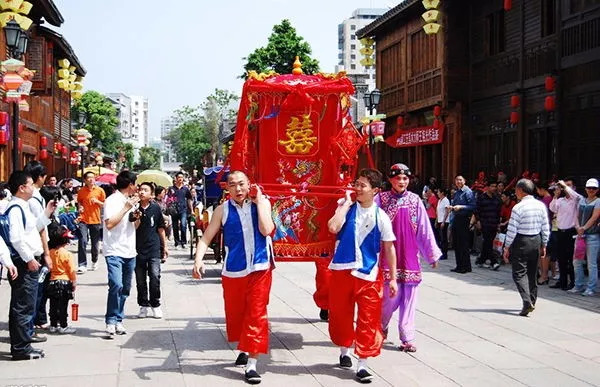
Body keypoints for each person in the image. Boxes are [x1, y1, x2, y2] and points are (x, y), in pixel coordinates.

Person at [192, 170, 274, 385]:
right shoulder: (222, 210)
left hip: (260, 266)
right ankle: (244, 348)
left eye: (242, 184)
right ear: (226, 188)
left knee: (256, 313)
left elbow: (267, 230)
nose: (238, 189)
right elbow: (207, 237)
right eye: (233, 185)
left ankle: (252, 365)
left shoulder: (262, 204)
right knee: (237, 315)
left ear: (249, 185)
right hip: (234, 271)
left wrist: (261, 203)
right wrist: (198, 260)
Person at [327, 169, 397, 383]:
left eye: (362, 185)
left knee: (368, 319)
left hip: (369, 275)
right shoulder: (346, 208)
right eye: (356, 184)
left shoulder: (381, 216)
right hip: (342, 271)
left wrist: (393, 278)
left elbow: (389, 248)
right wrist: (345, 205)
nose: (357, 188)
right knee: (340, 315)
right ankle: (344, 350)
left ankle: (363, 363)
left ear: (375, 190)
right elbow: (332, 227)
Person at [376, 163, 441, 353]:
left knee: (409, 300)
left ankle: (407, 337)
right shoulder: (381, 199)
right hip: (389, 257)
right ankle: (382, 326)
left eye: (405, 179)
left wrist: (431, 253)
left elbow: (424, 230)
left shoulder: (415, 200)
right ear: (390, 180)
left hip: (410, 257)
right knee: (389, 299)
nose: (402, 182)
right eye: (398, 178)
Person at [6, 171, 56, 360]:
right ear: (22, 188)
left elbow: (33, 229)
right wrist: (29, 258)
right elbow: (16, 239)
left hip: (29, 261)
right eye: (30, 184)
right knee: (23, 306)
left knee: (25, 304)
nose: (33, 188)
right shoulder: (16, 208)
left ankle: (23, 344)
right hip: (25, 263)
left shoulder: (22, 206)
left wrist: (47, 213)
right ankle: (20, 348)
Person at [502, 179, 550, 317]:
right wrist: (544, 243)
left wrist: (506, 247)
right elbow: (545, 226)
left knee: (519, 273)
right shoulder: (540, 206)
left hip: (521, 241)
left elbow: (512, 230)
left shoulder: (518, 207)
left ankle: (527, 301)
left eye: (516, 190)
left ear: (520, 191)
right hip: (535, 239)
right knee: (532, 273)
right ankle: (532, 300)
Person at [103, 170, 139, 337]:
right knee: (116, 284)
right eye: (135, 183)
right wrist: (126, 209)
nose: (137, 187)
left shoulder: (131, 201)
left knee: (125, 288)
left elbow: (134, 226)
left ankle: (118, 319)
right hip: (114, 249)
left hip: (129, 250)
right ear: (130, 184)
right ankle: (110, 320)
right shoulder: (112, 200)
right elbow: (109, 224)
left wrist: (137, 216)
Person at [23, 161, 52, 335]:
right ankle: (30, 327)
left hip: (36, 247)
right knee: (34, 291)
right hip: (35, 249)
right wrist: (46, 253)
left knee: (37, 290)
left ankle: (34, 322)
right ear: (39, 177)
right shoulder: (34, 199)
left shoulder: (35, 197)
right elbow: (39, 228)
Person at [132, 182, 168, 319]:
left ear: (151, 194)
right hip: (137, 249)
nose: (142, 192)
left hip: (153, 248)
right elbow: (131, 228)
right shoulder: (134, 209)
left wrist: (164, 247)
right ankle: (143, 305)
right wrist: (136, 216)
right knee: (140, 280)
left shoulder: (155, 208)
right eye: (140, 190)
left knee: (154, 277)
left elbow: (160, 228)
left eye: (145, 190)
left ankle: (155, 304)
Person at [549, 179, 581, 290]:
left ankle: (572, 282)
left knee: (571, 259)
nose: (566, 188)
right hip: (560, 232)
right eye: (565, 185)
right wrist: (556, 195)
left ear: (574, 187)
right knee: (561, 258)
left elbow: (576, 196)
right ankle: (562, 281)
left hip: (571, 232)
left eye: (569, 185)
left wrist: (564, 186)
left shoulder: (575, 200)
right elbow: (552, 208)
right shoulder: (561, 200)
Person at [46, 222, 77, 334]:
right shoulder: (67, 254)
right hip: (64, 281)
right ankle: (63, 325)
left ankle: (53, 325)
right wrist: (74, 283)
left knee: (53, 305)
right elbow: (71, 270)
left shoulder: (50, 252)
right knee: (63, 306)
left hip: (52, 281)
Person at [571, 178, 600, 296]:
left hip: (592, 235)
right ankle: (578, 285)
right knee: (576, 261)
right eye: (589, 188)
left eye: (594, 188)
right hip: (580, 235)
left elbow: (594, 217)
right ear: (585, 189)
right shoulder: (582, 200)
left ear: (597, 190)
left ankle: (591, 287)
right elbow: (576, 215)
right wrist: (578, 227)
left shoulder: (598, 201)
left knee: (591, 263)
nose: (591, 190)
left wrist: (583, 228)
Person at [76, 172, 106, 273]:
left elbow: (104, 204)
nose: (91, 179)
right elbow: (79, 201)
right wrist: (80, 207)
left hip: (95, 219)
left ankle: (94, 260)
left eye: (92, 178)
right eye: (88, 178)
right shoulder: (81, 191)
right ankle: (82, 264)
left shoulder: (100, 190)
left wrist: (97, 202)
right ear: (85, 180)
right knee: (83, 241)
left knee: (95, 243)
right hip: (83, 219)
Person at [449, 174, 476, 273]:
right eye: (457, 180)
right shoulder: (457, 193)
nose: (458, 181)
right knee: (456, 243)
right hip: (456, 218)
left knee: (463, 243)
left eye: (460, 180)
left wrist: (461, 207)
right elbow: (455, 205)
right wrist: (451, 207)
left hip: (464, 219)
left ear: (464, 181)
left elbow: (473, 206)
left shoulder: (468, 192)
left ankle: (465, 267)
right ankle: (459, 265)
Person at [474, 181, 502, 270]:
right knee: (488, 242)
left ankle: (481, 260)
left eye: (495, 186)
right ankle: (494, 262)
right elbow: (476, 210)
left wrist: (498, 225)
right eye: (492, 186)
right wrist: (477, 221)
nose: (494, 188)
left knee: (488, 243)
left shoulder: (497, 199)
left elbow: (498, 213)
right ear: (488, 187)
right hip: (484, 223)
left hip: (494, 223)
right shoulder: (481, 197)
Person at [168, 172, 193, 249]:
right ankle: (177, 242)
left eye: (181, 177)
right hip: (174, 210)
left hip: (183, 209)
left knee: (183, 225)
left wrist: (191, 210)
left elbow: (189, 199)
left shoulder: (185, 189)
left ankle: (183, 242)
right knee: (175, 227)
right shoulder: (171, 189)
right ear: (176, 178)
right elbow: (168, 199)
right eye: (179, 177)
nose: (180, 179)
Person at [536, 182, 554, 285]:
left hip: (545, 228)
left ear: (542, 189)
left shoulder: (546, 200)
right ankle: (543, 275)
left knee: (544, 253)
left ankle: (544, 275)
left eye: (538, 190)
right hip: (546, 227)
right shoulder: (548, 199)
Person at [435, 188, 450, 260]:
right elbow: (438, 212)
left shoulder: (446, 200)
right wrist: (437, 220)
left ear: (442, 193)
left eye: (438, 192)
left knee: (444, 238)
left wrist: (443, 221)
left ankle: (445, 254)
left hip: (445, 221)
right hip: (439, 221)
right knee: (441, 237)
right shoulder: (439, 201)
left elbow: (447, 211)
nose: (437, 193)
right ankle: (441, 252)